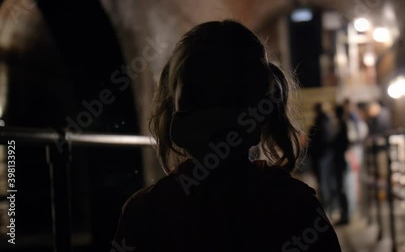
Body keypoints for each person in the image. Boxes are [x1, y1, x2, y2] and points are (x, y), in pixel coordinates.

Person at [113, 20, 342, 252]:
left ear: (171, 105)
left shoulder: (147, 213)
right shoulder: (295, 206)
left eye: (230, 97)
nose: (214, 113)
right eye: (197, 97)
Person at [308, 102, 335, 208]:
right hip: (326, 156)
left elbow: (314, 142)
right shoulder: (327, 122)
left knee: (323, 183)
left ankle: (326, 207)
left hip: (321, 157)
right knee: (327, 182)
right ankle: (330, 207)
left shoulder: (319, 123)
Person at [332, 105, 350, 225]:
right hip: (340, 160)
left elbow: (344, 143)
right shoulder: (341, 125)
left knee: (342, 188)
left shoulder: (342, 125)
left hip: (340, 160)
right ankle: (344, 215)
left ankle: (345, 216)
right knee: (341, 188)